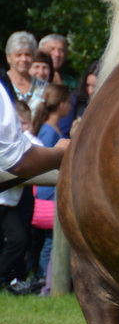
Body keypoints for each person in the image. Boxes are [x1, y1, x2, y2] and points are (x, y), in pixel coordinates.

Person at [0, 80, 68, 291]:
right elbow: (16, 159)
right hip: (14, 198)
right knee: (22, 241)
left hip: (13, 199)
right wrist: (60, 153)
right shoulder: (48, 133)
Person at [25, 83, 69, 294]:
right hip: (48, 197)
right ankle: (44, 281)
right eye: (68, 102)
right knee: (49, 244)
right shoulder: (50, 133)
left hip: (47, 197)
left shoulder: (49, 129)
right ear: (62, 105)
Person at [3, 31, 38, 104]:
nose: (24, 59)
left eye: (28, 55)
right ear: (8, 57)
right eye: (18, 55)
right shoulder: (2, 84)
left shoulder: (43, 88)